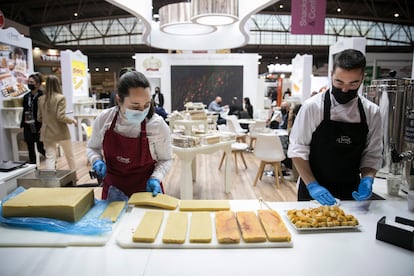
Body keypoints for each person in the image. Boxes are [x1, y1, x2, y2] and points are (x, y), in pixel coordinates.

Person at [288, 49, 383, 205]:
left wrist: (367, 178)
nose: (345, 89)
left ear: (362, 78)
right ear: (331, 74)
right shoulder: (312, 107)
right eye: (339, 82)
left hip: (352, 192)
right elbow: (298, 150)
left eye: (353, 83)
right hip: (313, 189)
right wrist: (313, 185)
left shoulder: (371, 112)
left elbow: (372, 154)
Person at [86, 71, 172, 199]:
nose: (142, 111)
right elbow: (92, 147)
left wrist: (155, 178)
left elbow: (166, 159)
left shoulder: (157, 125)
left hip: (146, 192)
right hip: (113, 192)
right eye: (135, 106)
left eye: (147, 105)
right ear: (119, 100)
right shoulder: (105, 119)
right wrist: (96, 160)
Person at [37, 75, 77, 172]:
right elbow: (60, 116)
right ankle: (73, 176)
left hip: (47, 131)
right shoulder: (60, 98)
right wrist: (72, 121)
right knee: (69, 155)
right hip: (61, 131)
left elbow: (39, 117)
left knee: (50, 157)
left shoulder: (41, 99)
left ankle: (51, 181)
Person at [20, 73, 46, 164]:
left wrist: (43, 125)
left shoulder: (42, 96)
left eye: (32, 82)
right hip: (28, 123)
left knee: (40, 146)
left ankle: (50, 159)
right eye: (28, 82)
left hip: (38, 124)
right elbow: (24, 109)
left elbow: (44, 112)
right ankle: (33, 164)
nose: (29, 84)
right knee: (30, 145)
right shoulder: (26, 97)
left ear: (38, 84)